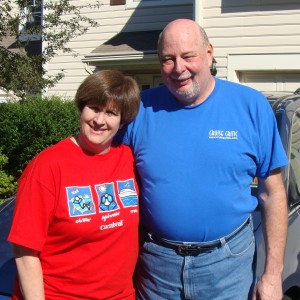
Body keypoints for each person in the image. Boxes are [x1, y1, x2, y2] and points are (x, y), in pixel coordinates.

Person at [118, 19, 288, 299]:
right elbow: (103, 170)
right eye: (168, 59)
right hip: (157, 268)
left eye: (187, 56)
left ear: (209, 53)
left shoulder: (251, 106)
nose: (178, 68)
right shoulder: (140, 109)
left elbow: (273, 193)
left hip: (228, 266)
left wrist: (272, 274)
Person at [8, 70, 141, 299]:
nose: (99, 120)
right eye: (94, 108)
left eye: (111, 113)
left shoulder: (128, 160)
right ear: (82, 107)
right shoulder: (48, 166)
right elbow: (25, 250)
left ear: (122, 121)